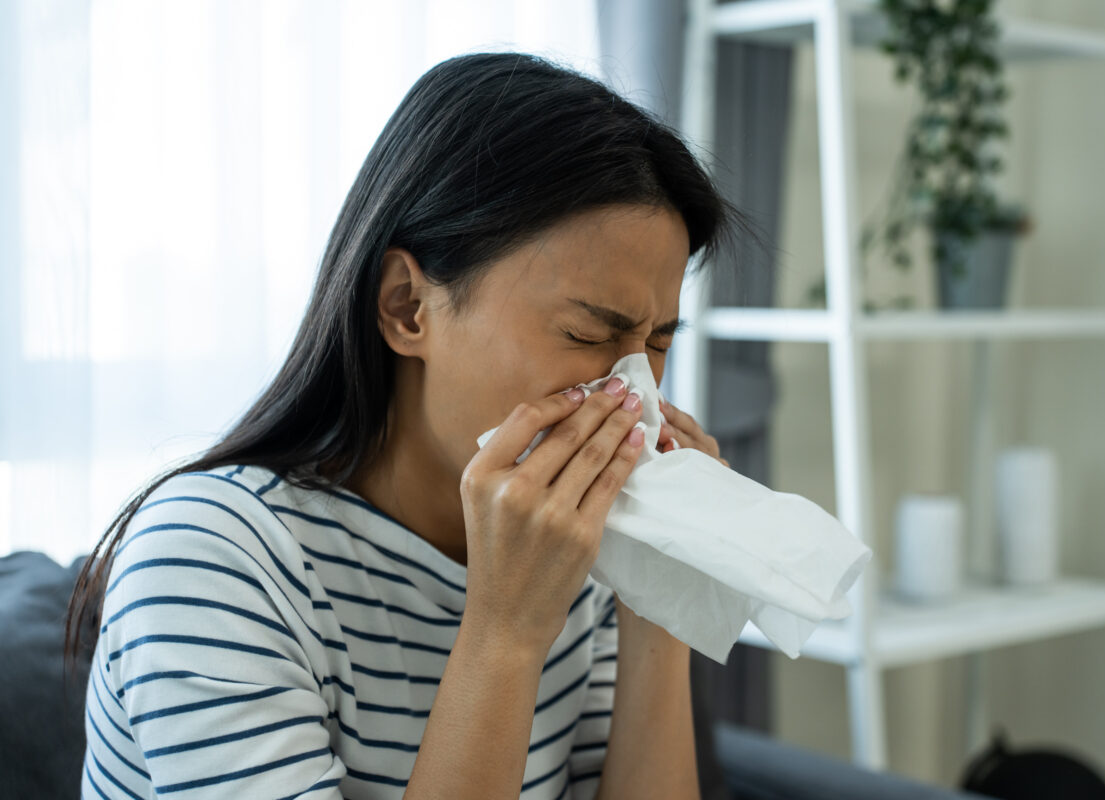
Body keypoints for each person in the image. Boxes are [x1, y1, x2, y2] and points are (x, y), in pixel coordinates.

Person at [66, 50, 750, 800]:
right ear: (406, 306)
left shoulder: (575, 552)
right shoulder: (210, 555)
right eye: (589, 335)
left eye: (657, 344)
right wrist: (504, 632)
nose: (636, 397)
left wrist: (660, 618)